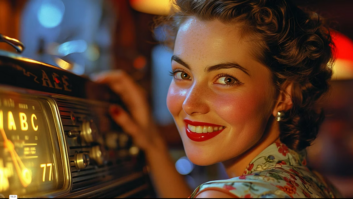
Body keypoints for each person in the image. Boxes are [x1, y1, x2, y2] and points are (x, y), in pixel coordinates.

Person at [95, 0, 341, 198]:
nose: (190, 104)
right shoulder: (317, 183)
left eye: (226, 79)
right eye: (182, 74)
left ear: (283, 95)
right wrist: (152, 142)